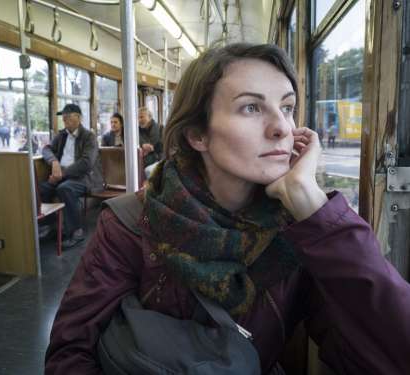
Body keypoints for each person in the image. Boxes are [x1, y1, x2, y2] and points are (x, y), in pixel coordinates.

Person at [45, 44, 410, 374]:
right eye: (251, 107)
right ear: (198, 135)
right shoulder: (130, 222)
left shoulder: (296, 233)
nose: (282, 127)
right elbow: (70, 352)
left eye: (287, 108)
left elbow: (393, 352)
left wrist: (310, 201)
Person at [40, 103, 104, 248]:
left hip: (86, 177)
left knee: (65, 189)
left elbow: (86, 163)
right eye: (63, 117)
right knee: (43, 188)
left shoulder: (89, 137)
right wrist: (54, 162)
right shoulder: (62, 136)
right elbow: (46, 149)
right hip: (62, 174)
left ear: (78, 118)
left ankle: (76, 231)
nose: (64, 120)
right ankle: (49, 226)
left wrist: (61, 174)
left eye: (68, 117)